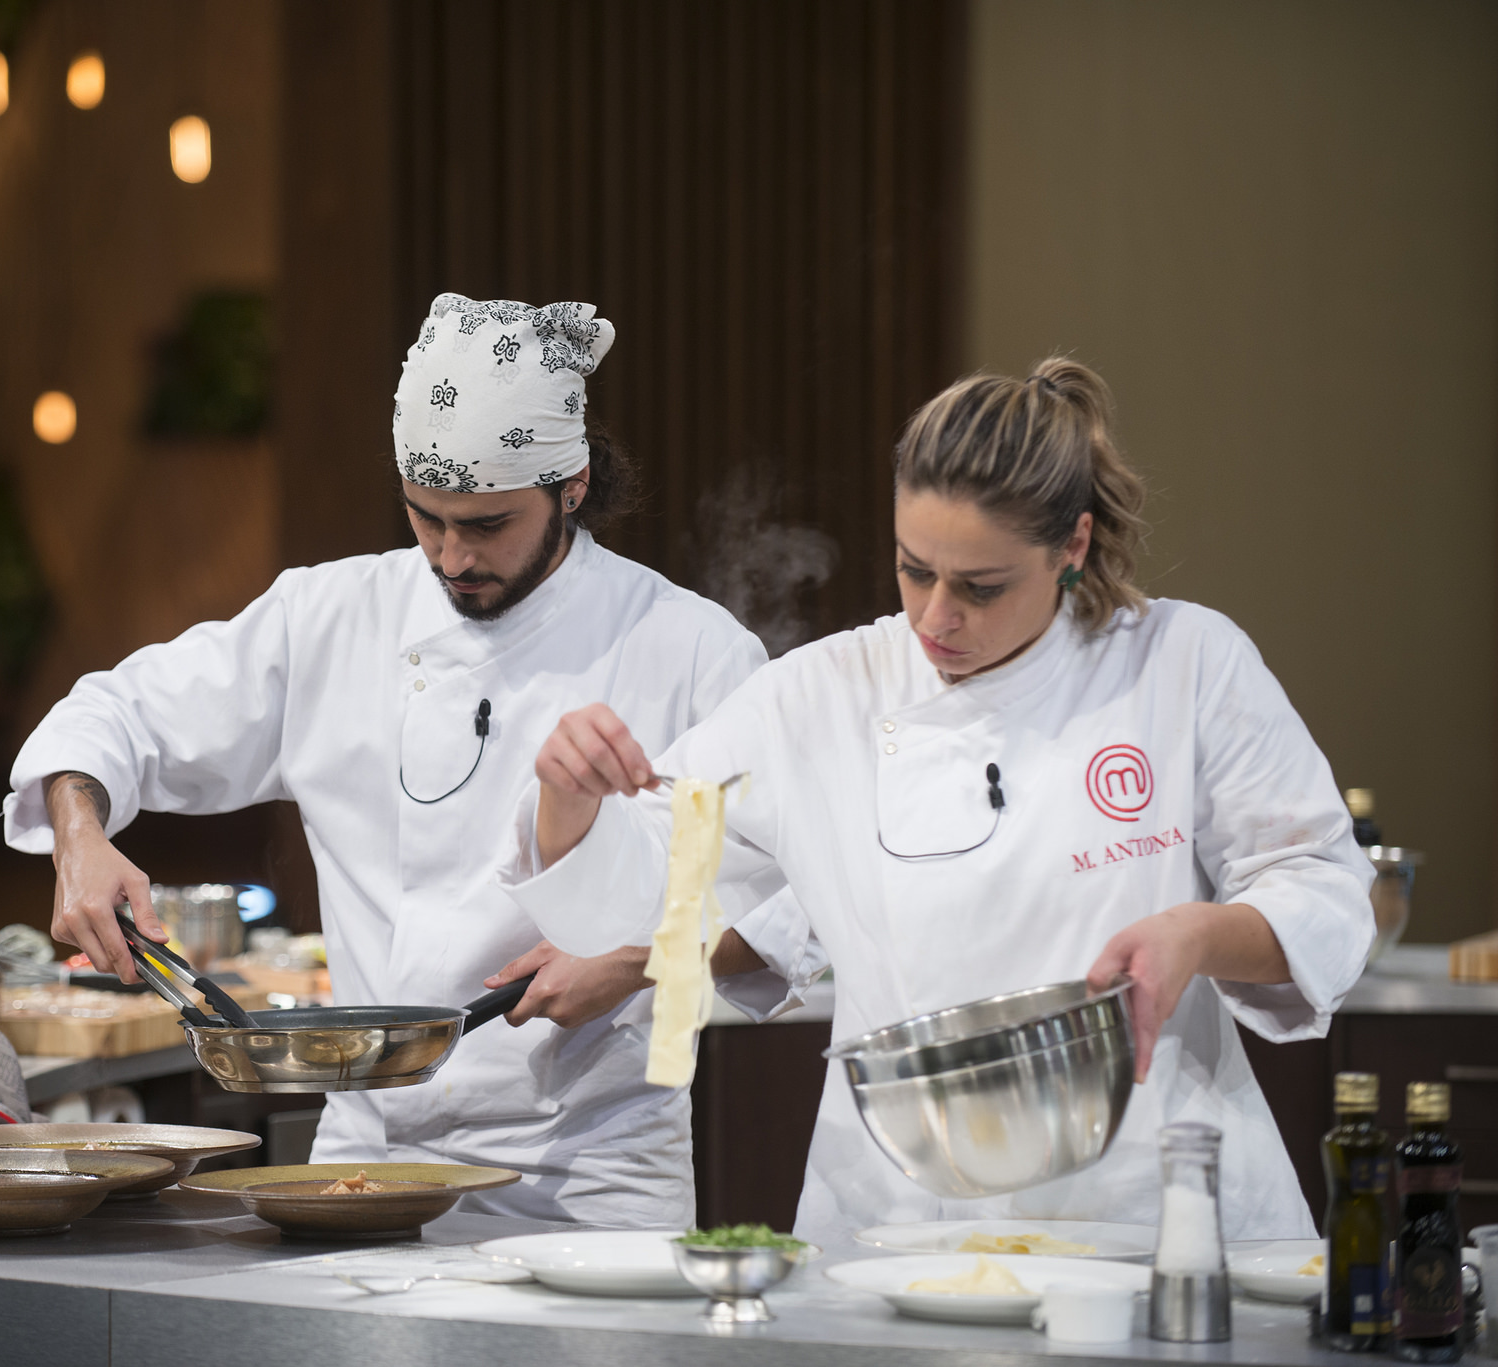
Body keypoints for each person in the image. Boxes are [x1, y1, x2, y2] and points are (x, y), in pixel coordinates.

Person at [505, 358, 1374, 1239]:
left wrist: (1195, 934)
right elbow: (640, 888)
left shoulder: (1182, 663)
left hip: (1154, 1210)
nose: (934, 618)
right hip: (899, 1214)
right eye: (913, 569)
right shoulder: (820, 697)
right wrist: (570, 801)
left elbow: (1325, 895)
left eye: (980, 587)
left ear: (1072, 546)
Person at [3, 293, 792, 1226]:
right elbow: (112, 713)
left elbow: (790, 902)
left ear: (572, 483)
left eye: (490, 525)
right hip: (368, 1155)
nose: (454, 555)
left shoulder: (690, 649)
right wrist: (81, 835)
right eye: (427, 518)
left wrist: (640, 961)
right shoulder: (330, 617)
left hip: (589, 1172)